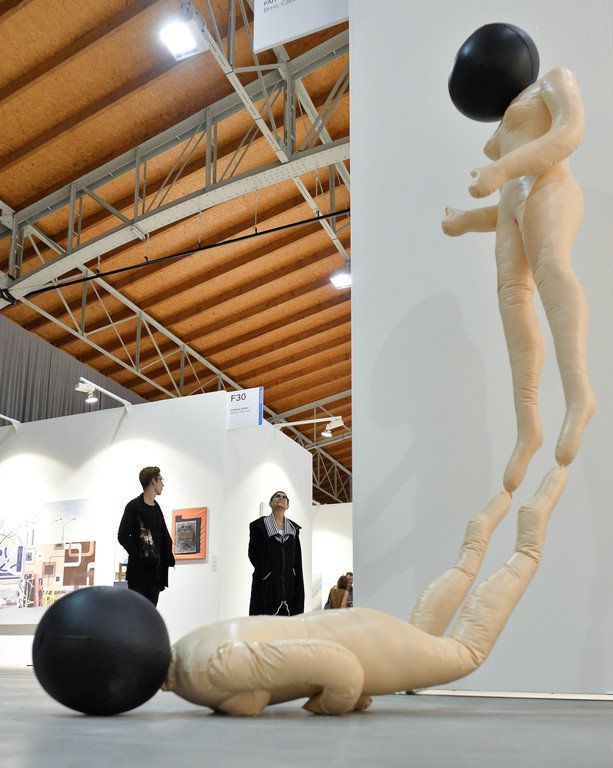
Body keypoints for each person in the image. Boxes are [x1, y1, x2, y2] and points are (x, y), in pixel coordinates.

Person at [162, 465, 568, 715]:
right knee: (426, 638)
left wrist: (334, 701)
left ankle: (527, 546)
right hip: (354, 631)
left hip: (361, 642)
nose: (283, 499)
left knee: (465, 653)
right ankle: (484, 526)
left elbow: (343, 669)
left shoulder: (207, 670)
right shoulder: (193, 650)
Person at [442, 24, 595, 493]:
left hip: (551, 189)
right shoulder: (501, 136)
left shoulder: (553, 80)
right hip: (516, 207)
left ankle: (578, 394)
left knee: (552, 270)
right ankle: (528, 425)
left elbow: (568, 133)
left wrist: (501, 168)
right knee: (513, 302)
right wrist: (468, 219)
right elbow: (507, 199)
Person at [117, 466, 175, 607]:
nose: (162, 484)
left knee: (150, 613)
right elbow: (122, 536)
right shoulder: (134, 507)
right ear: (153, 481)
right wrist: (139, 555)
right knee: (137, 614)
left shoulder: (157, 508)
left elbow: (162, 537)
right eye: (161, 479)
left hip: (155, 573)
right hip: (139, 573)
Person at [248, 490, 304, 616]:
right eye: (277, 496)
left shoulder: (293, 530)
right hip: (267, 589)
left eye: (284, 497)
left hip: (289, 590)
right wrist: (268, 573)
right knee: (265, 625)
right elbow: (253, 555)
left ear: (287, 505)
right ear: (270, 503)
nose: (281, 498)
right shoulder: (259, 527)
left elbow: (297, 561)